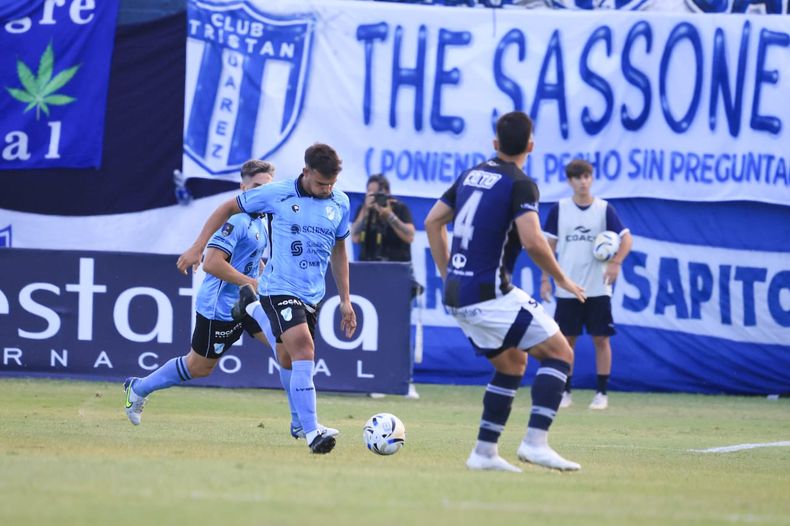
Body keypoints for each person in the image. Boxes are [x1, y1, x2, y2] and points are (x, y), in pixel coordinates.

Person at [424, 111, 586, 473]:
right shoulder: (520, 183)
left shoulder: (470, 175)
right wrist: (561, 278)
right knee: (561, 353)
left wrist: (446, 270)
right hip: (490, 293)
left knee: (512, 363)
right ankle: (535, 443)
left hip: (457, 293)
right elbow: (533, 241)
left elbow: (433, 221)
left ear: (495, 144)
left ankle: (483, 453)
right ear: (531, 145)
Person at [177, 143, 356, 455]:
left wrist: (345, 299)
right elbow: (226, 208)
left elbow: (339, 250)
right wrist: (197, 247)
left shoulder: (339, 203)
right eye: (320, 183)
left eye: (331, 184)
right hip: (277, 288)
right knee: (303, 347)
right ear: (305, 172)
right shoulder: (280, 193)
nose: (326, 189)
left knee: (288, 357)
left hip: (311, 293)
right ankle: (313, 432)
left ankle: (299, 422)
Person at [123, 160, 286, 424]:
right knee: (198, 367)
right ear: (243, 187)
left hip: (247, 302)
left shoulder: (262, 219)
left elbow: (253, 257)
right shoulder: (237, 220)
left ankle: (302, 422)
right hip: (219, 307)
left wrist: (262, 274)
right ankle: (138, 388)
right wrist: (254, 283)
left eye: (265, 188)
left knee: (286, 347)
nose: (261, 194)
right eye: (255, 187)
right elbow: (211, 264)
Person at [540, 159, 633, 410]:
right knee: (565, 341)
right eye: (577, 177)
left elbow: (626, 239)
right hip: (569, 287)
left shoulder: (604, 210)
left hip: (597, 287)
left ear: (591, 179)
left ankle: (601, 393)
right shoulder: (559, 209)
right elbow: (548, 247)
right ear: (570, 182)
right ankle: (565, 391)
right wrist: (546, 278)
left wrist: (617, 262)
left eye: (587, 176)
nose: (583, 181)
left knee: (601, 339)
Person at [351, 173, 420, 399]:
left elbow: (409, 235)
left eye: (377, 194)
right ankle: (375, 378)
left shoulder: (400, 208)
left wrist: (387, 214)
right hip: (370, 275)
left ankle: (405, 381)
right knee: (372, 330)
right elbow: (354, 237)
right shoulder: (364, 209)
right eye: (369, 193)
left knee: (398, 330)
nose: (373, 198)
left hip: (397, 276)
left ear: (387, 192)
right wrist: (366, 210)